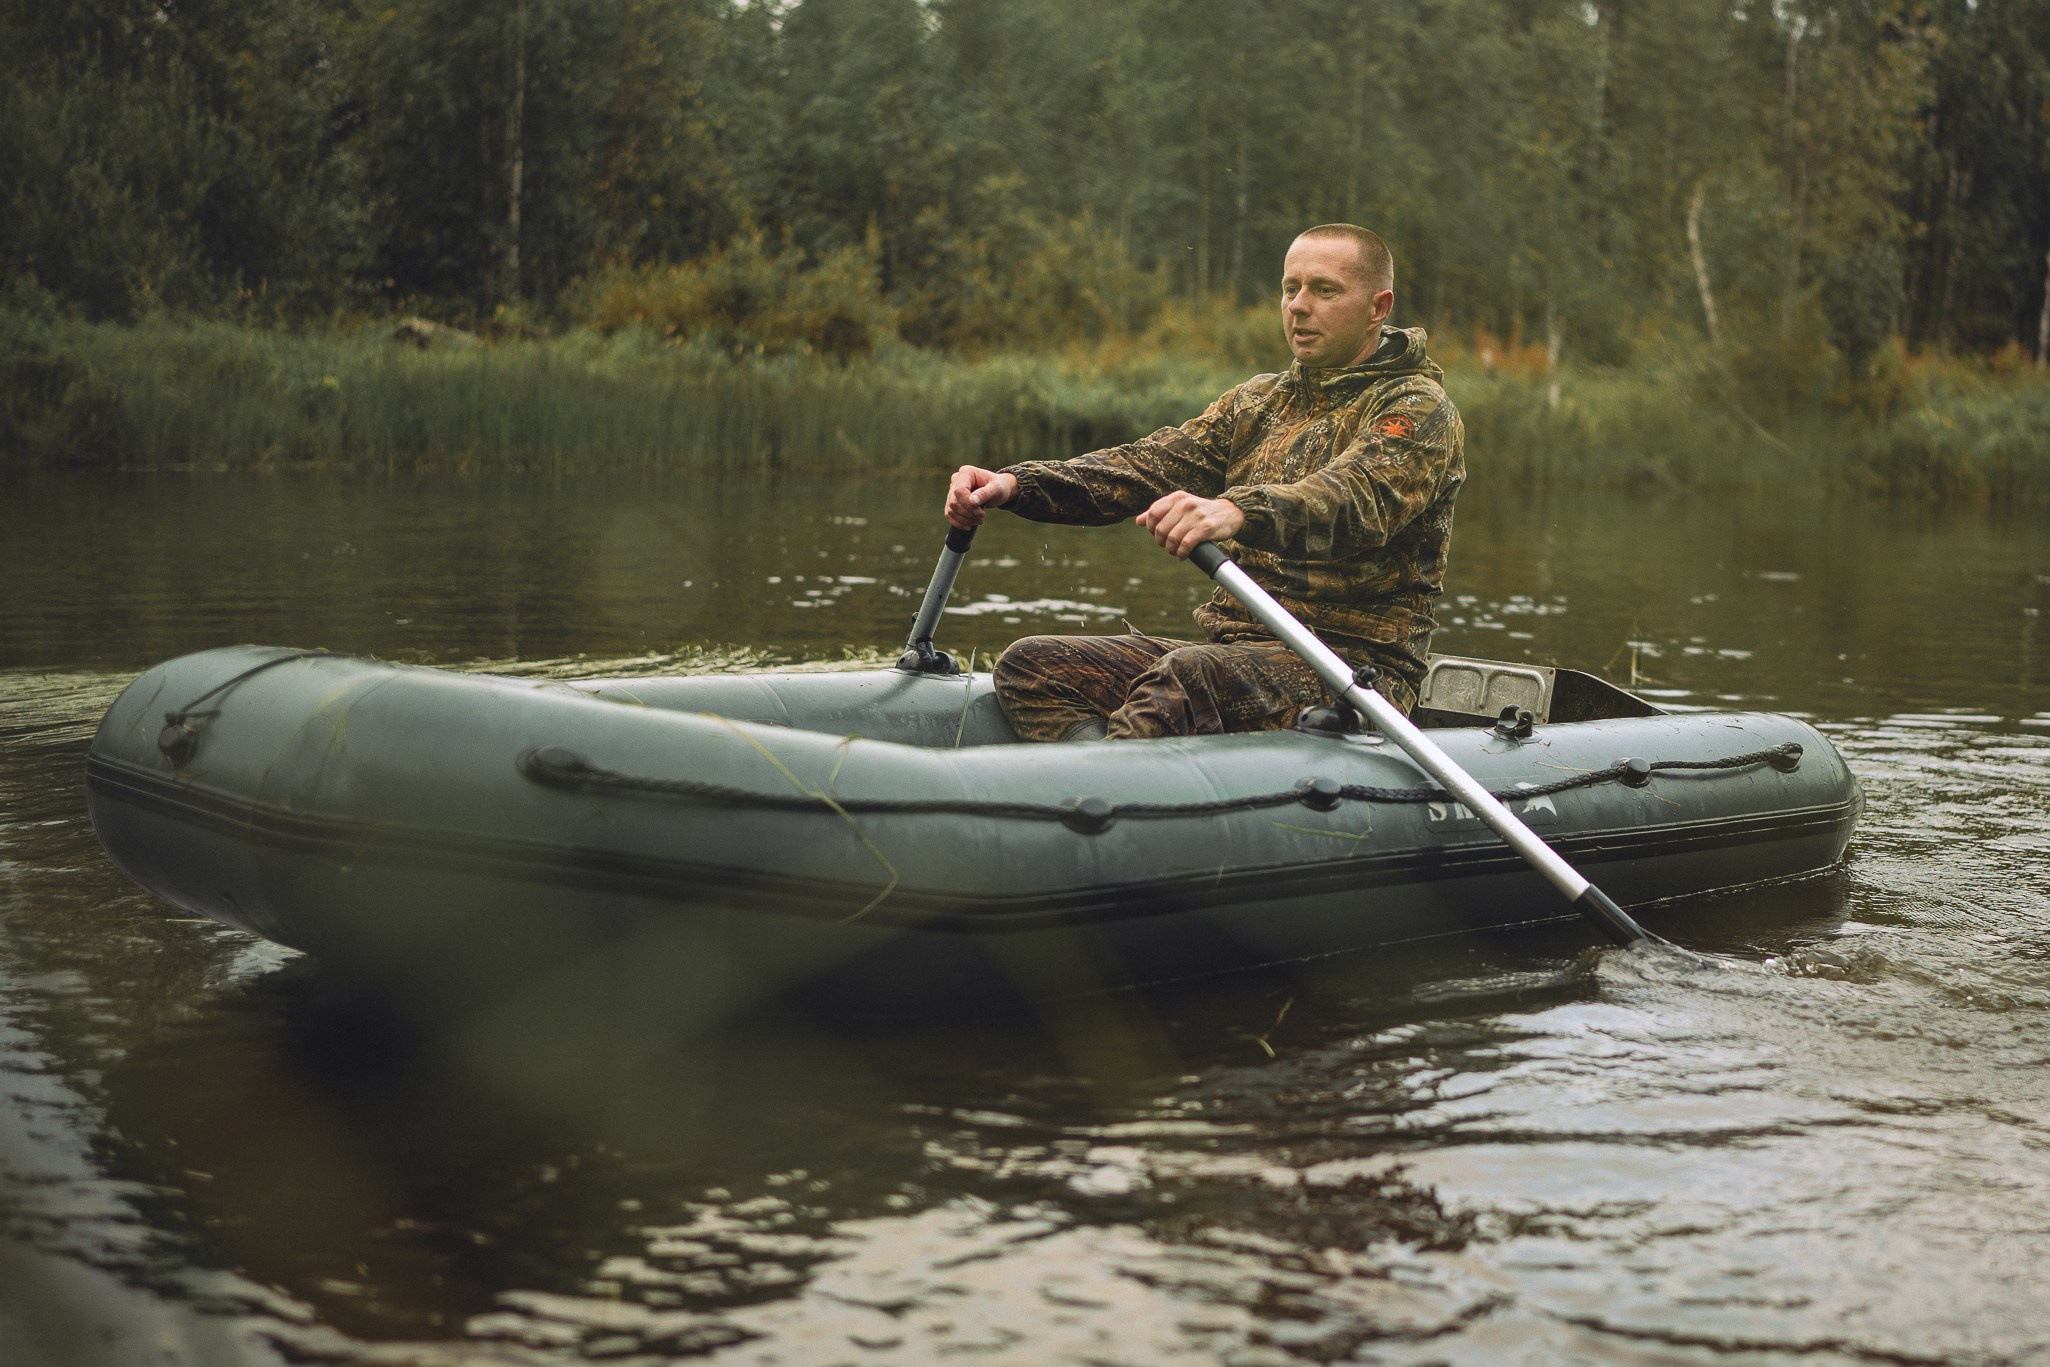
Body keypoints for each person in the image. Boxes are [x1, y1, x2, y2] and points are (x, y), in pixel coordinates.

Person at [943, 224, 1464, 743]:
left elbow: (1356, 499)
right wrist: (1016, 484)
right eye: (1290, 288)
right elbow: (1144, 467)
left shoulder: (1416, 408)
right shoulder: (1257, 403)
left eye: (1324, 291)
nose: (1299, 306)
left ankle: (1098, 792)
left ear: (1378, 308)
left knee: (1189, 677)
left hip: (1350, 671)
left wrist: (1236, 510)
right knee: (1032, 664)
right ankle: (1105, 776)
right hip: (1236, 651)